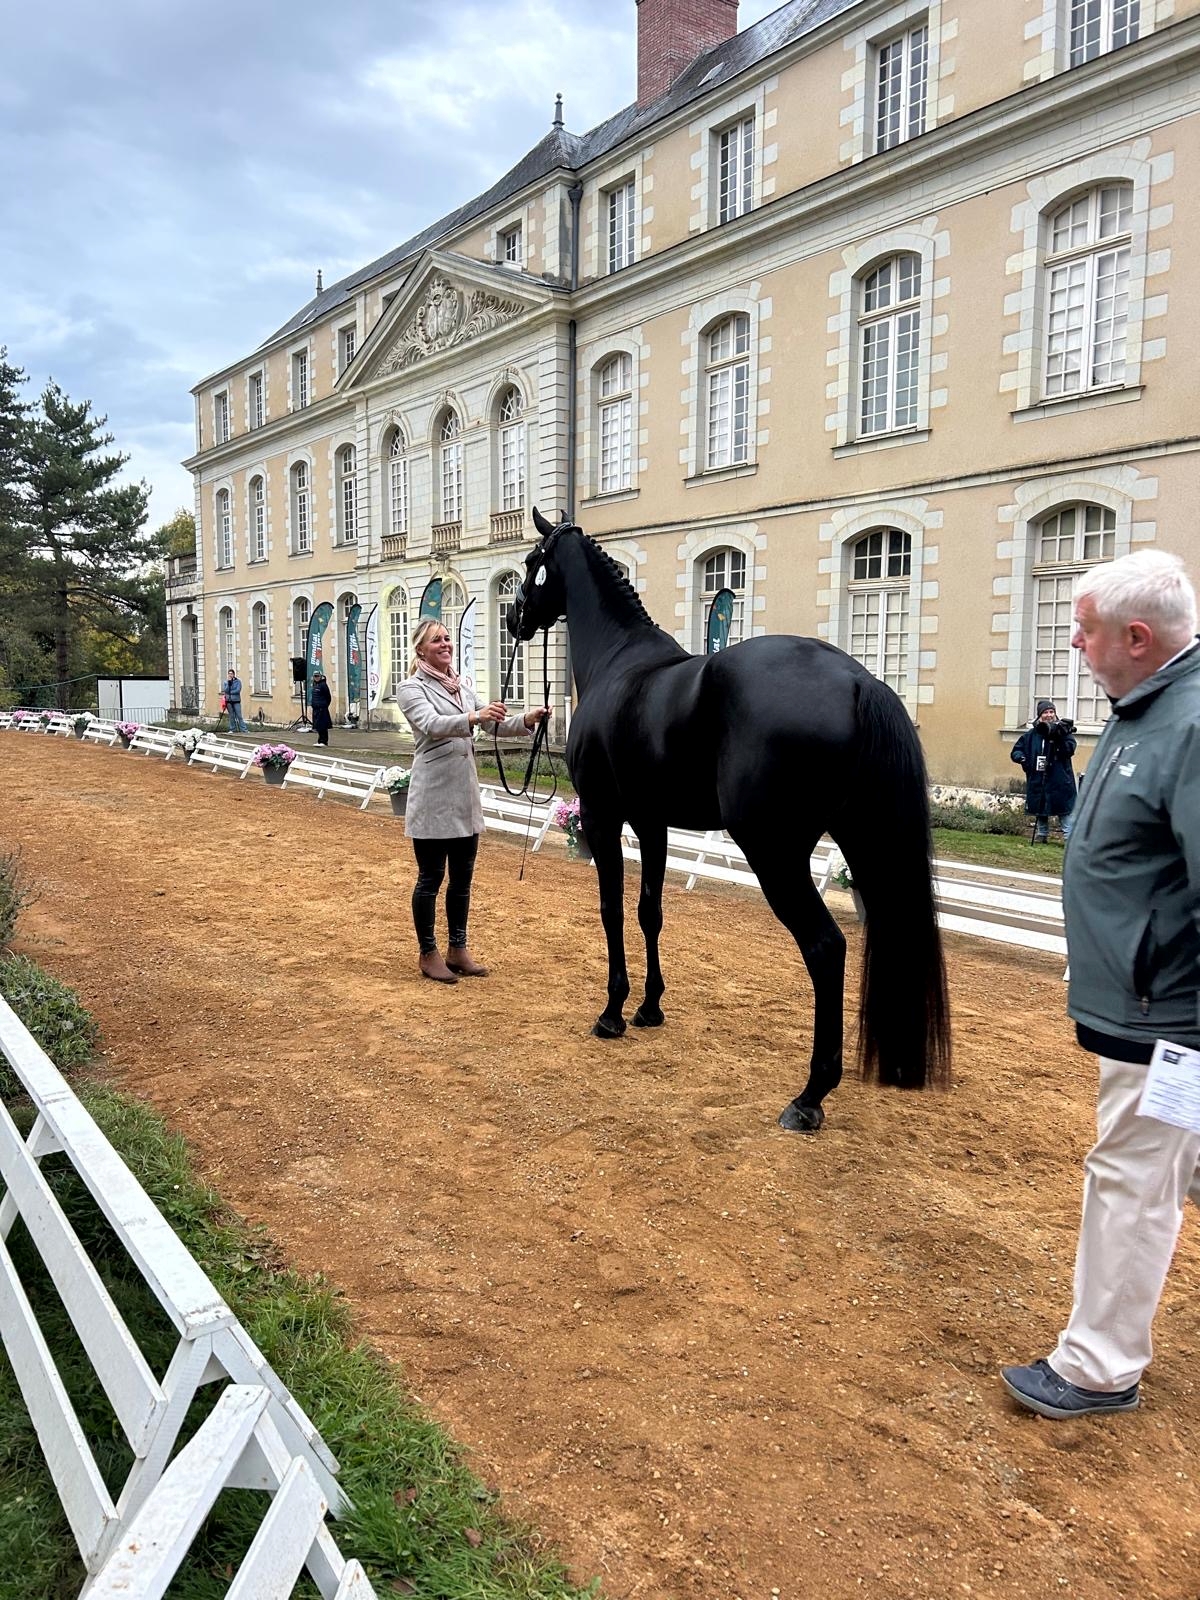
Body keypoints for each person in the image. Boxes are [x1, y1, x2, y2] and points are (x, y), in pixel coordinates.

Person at [1002, 549, 1200, 1420]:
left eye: (1084, 630)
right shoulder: (1145, 707)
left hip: (1169, 1020)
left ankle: (1096, 1368)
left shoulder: (1187, 722)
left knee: (1132, 1176)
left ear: (1137, 636)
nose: (1074, 644)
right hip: (1144, 1002)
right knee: (1162, 1172)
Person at [396, 618, 550, 984]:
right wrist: (473, 716)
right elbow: (432, 724)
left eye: (448, 638)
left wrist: (525, 719)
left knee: (462, 879)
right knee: (431, 878)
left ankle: (458, 949)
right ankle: (428, 952)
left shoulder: (461, 685)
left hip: (464, 797)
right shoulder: (409, 688)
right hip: (433, 796)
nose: (446, 644)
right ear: (420, 649)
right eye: (437, 640)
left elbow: (491, 723)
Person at [1010, 698, 1077, 842]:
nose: (1049, 715)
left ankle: (1069, 838)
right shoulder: (1031, 735)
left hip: (1059, 777)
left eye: (1052, 712)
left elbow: (1070, 748)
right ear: (1040, 715)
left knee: (1063, 808)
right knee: (1040, 805)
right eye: (1046, 712)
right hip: (1038, 777)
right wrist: (1022, 758)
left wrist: (1058, 737)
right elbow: (1017, 750)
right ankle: (1042, 833)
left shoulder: (1063, 732)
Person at [311, 672, 332, 747]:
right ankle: (320, 741)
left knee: (323, 725)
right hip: (316, 708)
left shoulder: (323, 685)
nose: (316, 677)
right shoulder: (315, 685)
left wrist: (324, 705)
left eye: (317, 676)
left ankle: (324, 741)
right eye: (315, 676)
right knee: (318, 725)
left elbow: (328, 697)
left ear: (320, 676)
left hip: (322, 708)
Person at [225, 669, 247, 733]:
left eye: (231, 673)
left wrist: (229, 692)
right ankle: (232, 729)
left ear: (234, 674)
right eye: (229, 674)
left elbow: (237, 690)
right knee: (231, 716)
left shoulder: (238, 681)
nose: (230, 675)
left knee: (239, 715)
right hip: (229, 701)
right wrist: (229, 683)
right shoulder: (226, 682)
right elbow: (226, 690)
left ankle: (244, 729)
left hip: (236, 701)